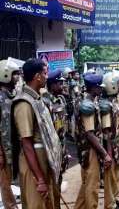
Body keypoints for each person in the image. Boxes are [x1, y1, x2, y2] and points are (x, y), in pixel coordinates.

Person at [12, 59, 62, 209]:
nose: (47, 77)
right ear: (37, 76)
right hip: (34, 162)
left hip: (44, 160)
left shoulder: (37, 99)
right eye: (45, 73)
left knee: (48, 202)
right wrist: (39, 179)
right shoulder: (24, 103)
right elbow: (26, 143)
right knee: (36, 204)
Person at [74, 73, 112, 209]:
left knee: (87, 184)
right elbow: (90, 134)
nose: (101, 89)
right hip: (90, 150)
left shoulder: (90, 102)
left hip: (89, 148)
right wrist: (104, 154)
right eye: (99, 87)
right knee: (92, 186)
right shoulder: (87, 105)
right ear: (93, 88)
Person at [42, 69, 69, 209]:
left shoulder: (61, 99)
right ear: (52, 85)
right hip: (50, 150)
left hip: (60, 147)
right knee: (50, 187)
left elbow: (62, 127)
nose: (62, 86)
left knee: (58, 183)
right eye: (59, 83)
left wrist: (64, 152)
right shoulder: (44, 102)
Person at [101, 72, 119, 208]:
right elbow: (106, 132)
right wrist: (109, 152)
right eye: (117, 83)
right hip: (110, 145)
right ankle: (109, 204)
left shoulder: (114, 102)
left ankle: (117, 197)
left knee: (118, 170)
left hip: (117, 142)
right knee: (109, 176)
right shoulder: (106, 105)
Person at [0, 59, 21, 209]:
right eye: (15, 74)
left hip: (15, 146)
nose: (18, 77)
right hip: (4, 149)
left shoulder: (12, 96)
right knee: (5, 182)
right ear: (5, 75)